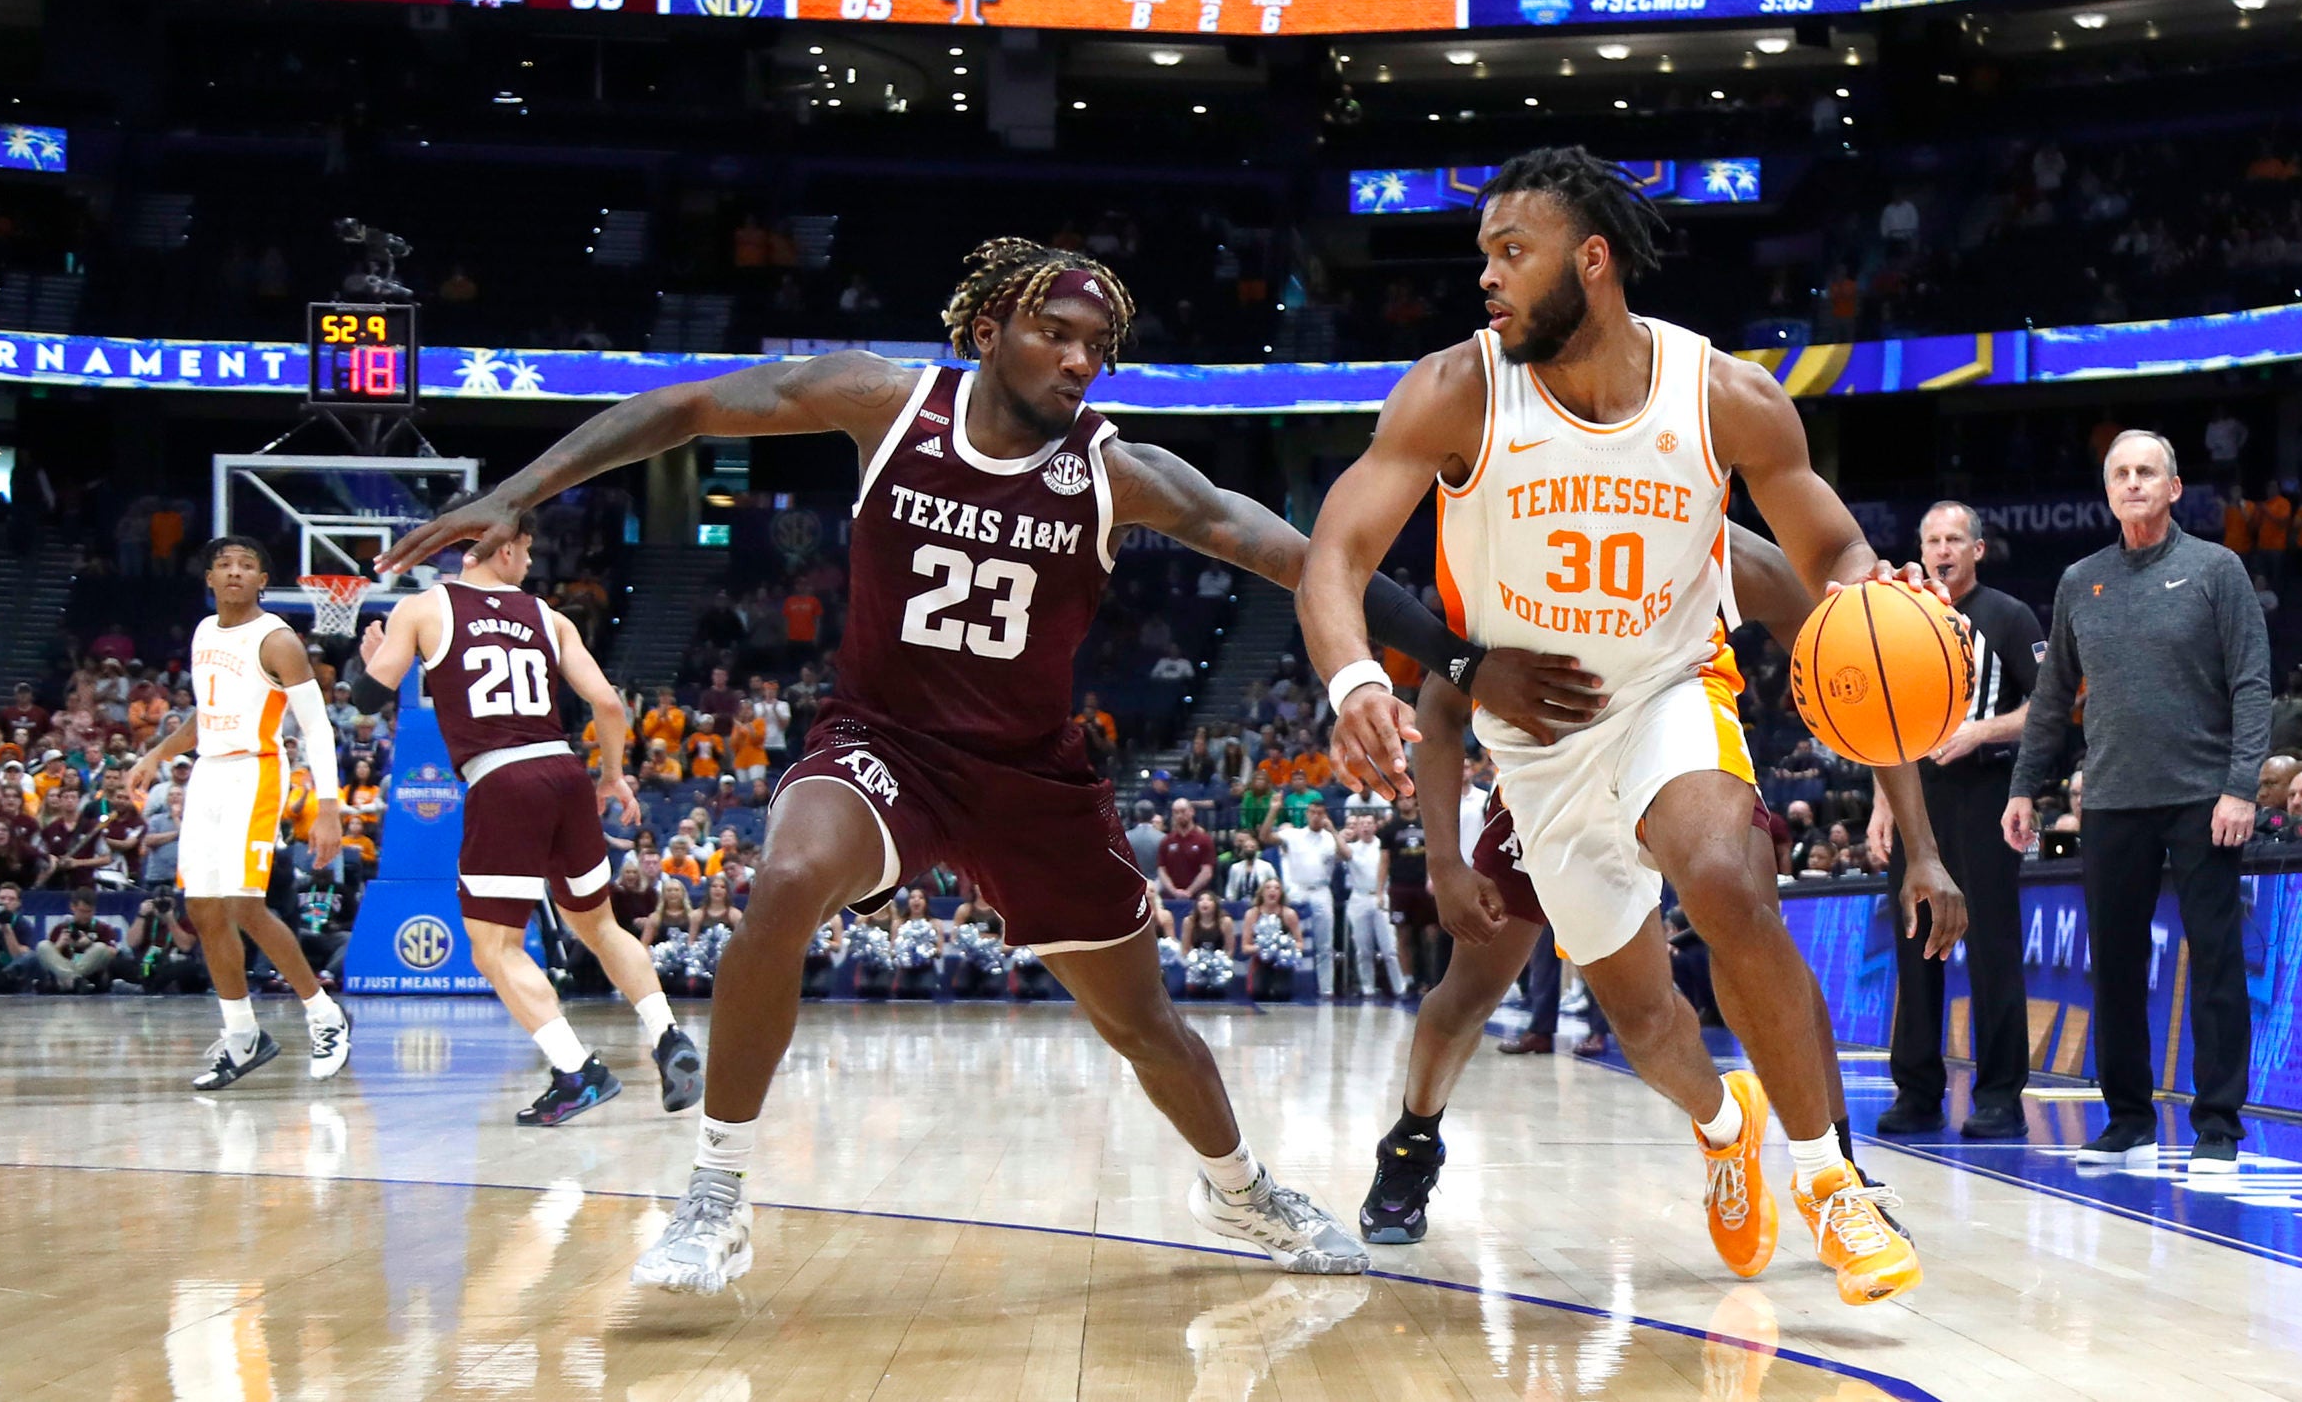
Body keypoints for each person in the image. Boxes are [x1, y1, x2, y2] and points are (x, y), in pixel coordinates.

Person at [378, 236, 1589, 1294]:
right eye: (1055, 333)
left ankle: (1239, 1188)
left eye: (1096, 346)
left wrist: (1464, 661)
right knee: (787, 878)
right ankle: (717, 1191)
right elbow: (690, 409)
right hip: (882, 747)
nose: (1076, 360)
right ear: (987, 329)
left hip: (1032, 780)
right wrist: (519, 489)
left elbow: (1294, 556)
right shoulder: (887, 402)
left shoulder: (1117, 473)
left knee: (1146, 1025)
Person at [1296, 145, 1934, 1305]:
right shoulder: (1456, 389)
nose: (1484, 278)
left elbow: (1832, 548)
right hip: (1535, 756)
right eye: (1480, 254)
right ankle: (1721, 1125)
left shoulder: (1723, 396)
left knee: (1726, 879)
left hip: (1670, 695)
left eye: (1509, 252)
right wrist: (1354, 686)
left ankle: (1828, 1183)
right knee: (1646, 1020)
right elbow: (1334, 553)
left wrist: (1859, 590)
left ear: (1590, 261)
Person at [1364, 525, 1962, 1246]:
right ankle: (1413, 1140)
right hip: (1552, 779)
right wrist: (1445, 864)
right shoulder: (1522, 537)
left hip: (1683, 751)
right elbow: (1442, 701)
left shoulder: (1716, 543)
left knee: (1754, 936)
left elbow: (1872, 681)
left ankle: (1837, 1170)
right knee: (1470, 992)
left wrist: (1923, 848)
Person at [355, 500, 702, 1125]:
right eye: (529, 550)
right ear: (505, 548)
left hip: (502, 780)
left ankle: (576, 1071)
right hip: (565, 773)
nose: (532, 561)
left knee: (494, 947)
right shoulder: (548, 617)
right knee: (599, 927)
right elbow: (608, 703)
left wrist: (374, 648)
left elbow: (364, 700)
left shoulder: (424, 608)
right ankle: (669, 1036)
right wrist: (613, 775)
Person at [2007, 430, 2269, 1174]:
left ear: (2175, 486)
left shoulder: (2218, 570)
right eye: (2120, 472)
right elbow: (2053, 696)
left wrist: (2241, 784)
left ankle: (2217, 1124)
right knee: (2115, 966)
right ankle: (2128, 1120)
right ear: (2108, 488)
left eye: (2146, 470)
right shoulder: (2079, 580)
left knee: (2216, 962)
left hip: (2202, 797)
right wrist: (2025, 784)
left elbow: (2252, 682)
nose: (2133, 482)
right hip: (2113, 799)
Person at [125, 537, 353, 1088]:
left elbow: (317, 728)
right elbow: (205, 716)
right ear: (208, 578)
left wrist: (328, 808)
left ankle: (326, 1016)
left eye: (246, 566)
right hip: (207, 774)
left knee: (244, 906)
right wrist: (157, 752)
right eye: (224, 565)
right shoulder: (205, 633)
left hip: (256, 772)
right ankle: (243, 1035)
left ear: (261, 581)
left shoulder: (277, 641)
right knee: (202, 910)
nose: (234, 573)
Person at [1866, 502, 2043, 1141]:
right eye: (1931, 538)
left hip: (1987, 793)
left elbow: (2051, 705)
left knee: (1992, 946)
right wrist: (1883, 803)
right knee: (1915, 947)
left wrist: (1979, 733)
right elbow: (1877, 719)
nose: (1941, 549)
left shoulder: (2008, 616)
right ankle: (1917, 1094)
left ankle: (1999, 1097)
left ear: (1977, 550)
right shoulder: (1903, 616)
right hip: (1918, 797)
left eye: (1953, 539)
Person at [1274, 800, 1339, 999]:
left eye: (1320, 812)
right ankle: (1295, 984)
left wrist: (1334, 831)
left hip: (1320, 890)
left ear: (1325, 814)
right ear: (1307, 814)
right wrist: (1273, 810)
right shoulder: (1294, 835)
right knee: (1293, 940)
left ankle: (1326, 989)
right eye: (1312, 812)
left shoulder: (1329, 838)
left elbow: (1346, 854)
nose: (1316, 816)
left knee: (1324, 943)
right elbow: (1264, 836)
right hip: (1298, 890)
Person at [1340, 808, 1408, 998]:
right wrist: (1334, 831)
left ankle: (1399, 987)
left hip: (1381, 896)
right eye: (1362, 824)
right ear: (1357, 827)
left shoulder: (1382, 846)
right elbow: (1342, 852)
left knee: (1389, 949)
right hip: (1359, 898)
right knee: (1363, 949)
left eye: (1369, 823)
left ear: (1375, 826)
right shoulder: (1352, 848)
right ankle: (1367, 988)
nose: (1366, 827)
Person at [34, 887, 119, 993]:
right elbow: (51, 959)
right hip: (65, 966)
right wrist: (59, 945)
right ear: (73, 907)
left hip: (90, 971)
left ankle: (69, 981)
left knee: (101, 947)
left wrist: (89, 944)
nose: (86, 915)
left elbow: (113, 952)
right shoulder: (61, 929)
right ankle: (74, 980)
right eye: (82, 911)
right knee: (43, 945)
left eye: (90, 911)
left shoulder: (104, 929)